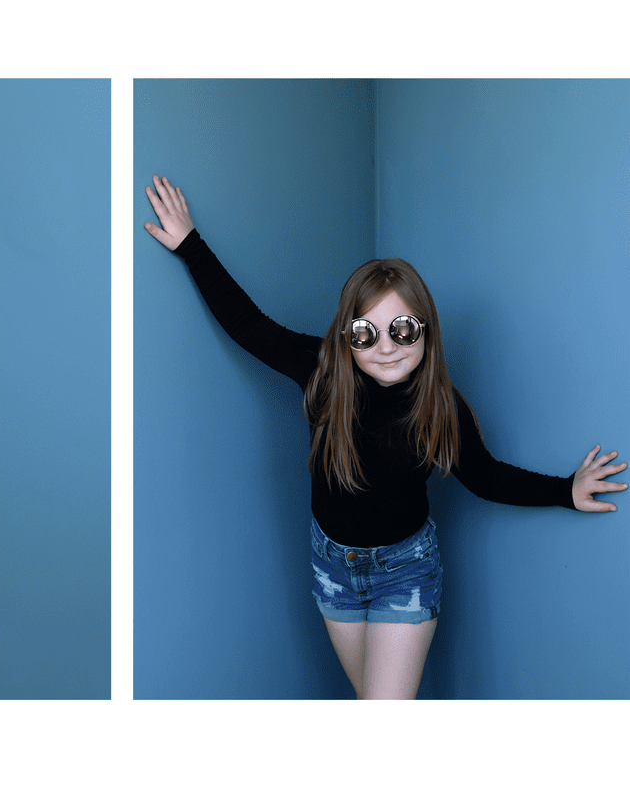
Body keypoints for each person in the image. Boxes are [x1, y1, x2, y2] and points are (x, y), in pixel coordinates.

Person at [143, 174, 627, 699]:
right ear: (347, 337)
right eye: (366, 333)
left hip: (406, 572)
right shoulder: (323, 372)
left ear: (424, 329)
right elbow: (249, 326)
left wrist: (565, 491)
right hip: (331, 566)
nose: (386, 347)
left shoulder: (443, 406)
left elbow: (484, 477)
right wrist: (190, 244)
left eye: (402, 330)